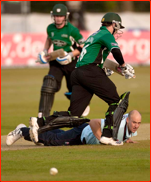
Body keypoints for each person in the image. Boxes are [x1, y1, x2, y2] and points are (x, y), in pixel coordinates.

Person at [66, 12, 134, 145]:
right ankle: (107, 136)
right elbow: (116, 51)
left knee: (73, 114)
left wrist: (105, 69)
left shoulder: (94, 34)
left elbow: (94, 56)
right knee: (116, 101)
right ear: (114, 24)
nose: (118, 30)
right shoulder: (106, 35)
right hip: (90, 71)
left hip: (79, 71)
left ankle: (40, 123)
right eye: (117, 26)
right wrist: (123, 65)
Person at [37, 4, 89, 118]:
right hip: (56, 62)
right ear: (53, 16)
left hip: (71, 62)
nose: (58, 18)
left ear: (65, 16)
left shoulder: (72, 30)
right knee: (48, 85)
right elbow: (49, 39)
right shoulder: (50, 28)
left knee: (74, 89)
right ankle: (42, 118)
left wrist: (71, 55)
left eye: (60, 16)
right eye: (56, 16)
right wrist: (45, 51)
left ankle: (83, 106)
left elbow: (84, 46)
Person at [6, 110, 141, 146]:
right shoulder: (120, 124)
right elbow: (94, 122)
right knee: (53, 141)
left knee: (58, 134)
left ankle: (38, 128)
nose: (136, 125)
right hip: (82, 134)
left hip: (82, 132)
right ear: (127, 120)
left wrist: (126, 140)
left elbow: (124, 134)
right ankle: (21, 131)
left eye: (138, 123)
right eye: (134, 122)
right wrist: (102, 139)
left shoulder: (130, 128)